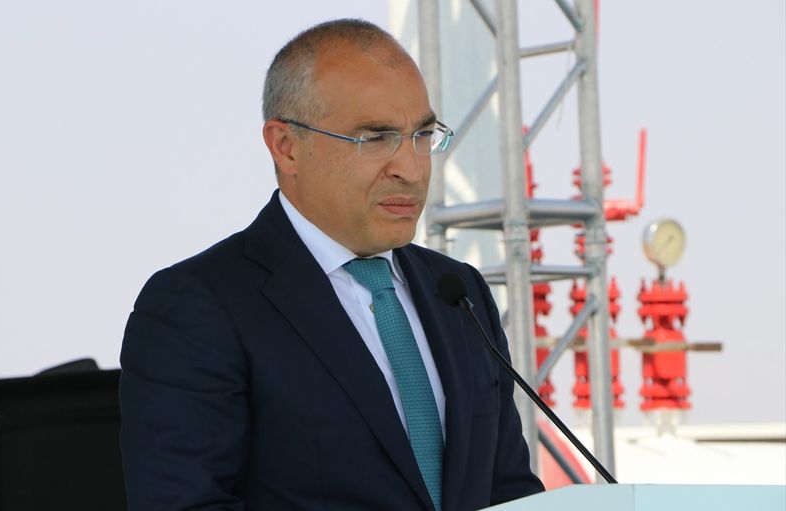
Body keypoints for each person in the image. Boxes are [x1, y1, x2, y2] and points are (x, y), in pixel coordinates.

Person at [119, 18, 544, 511]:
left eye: (422, 135)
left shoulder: (459, 291)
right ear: (286, 146)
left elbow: (508, 490)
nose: (411, 168)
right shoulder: (197, 307)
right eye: (376, 138)